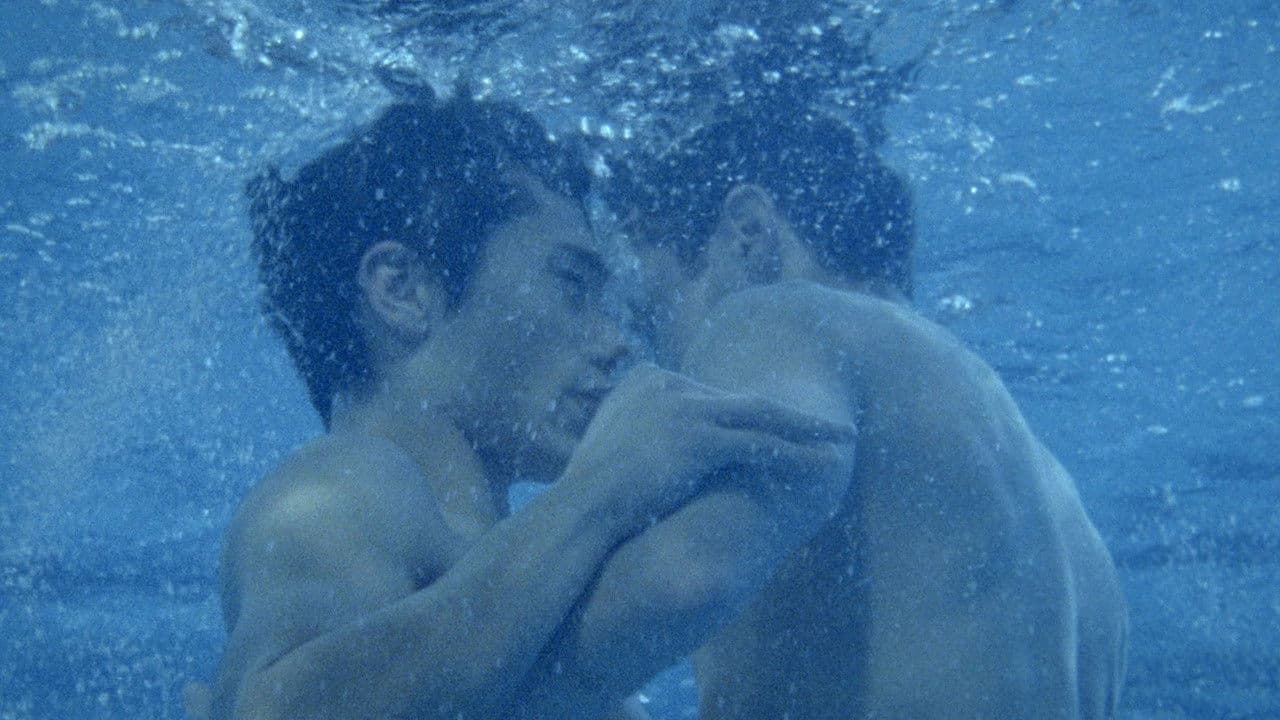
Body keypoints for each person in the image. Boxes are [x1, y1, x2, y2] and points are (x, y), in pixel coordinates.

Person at [198, 92, 857, 720]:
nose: (617, 341)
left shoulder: (503, 587)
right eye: (573, 284)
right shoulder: (343, 487)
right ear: (403, 289)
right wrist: (604, 485)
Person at [588, 108, 1130, 718]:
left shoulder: (773, 317)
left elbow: (688, 579)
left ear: (747, 231)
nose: (642, 347)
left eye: (653, 306)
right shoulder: (1054, 500)